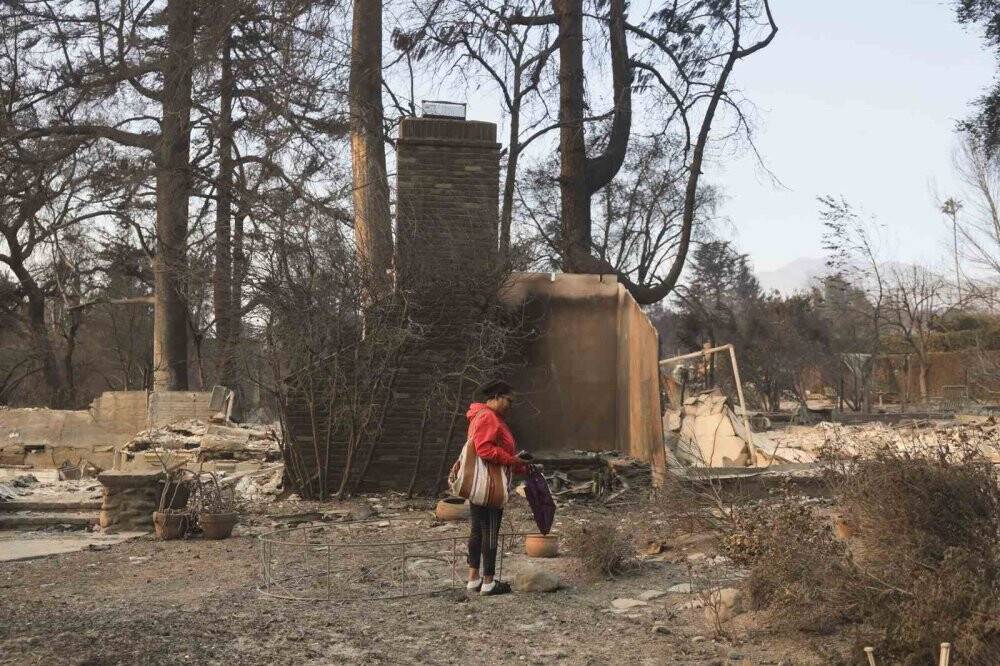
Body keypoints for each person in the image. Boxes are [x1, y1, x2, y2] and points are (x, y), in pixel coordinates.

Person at [465, 379, 528, 596]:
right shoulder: (489, 417)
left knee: (477, 530)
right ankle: (489, 583)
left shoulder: (479, 415)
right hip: (490, 484)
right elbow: (484, 449)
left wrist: (516, 463)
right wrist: (512, 460)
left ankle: (473, 580)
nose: (511, 405)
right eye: (509, 400)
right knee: (490, 531)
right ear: (497, 397)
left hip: (478, 483)